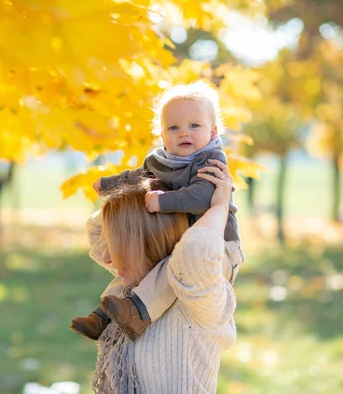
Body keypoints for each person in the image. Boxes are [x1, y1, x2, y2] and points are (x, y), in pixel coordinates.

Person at [70, 82, 244, 341]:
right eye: (173, 127)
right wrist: (108, 184)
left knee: (170, 269)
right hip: (175, 241)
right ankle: (103, 315)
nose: (184, 133)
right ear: (162, 136)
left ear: (213, 131)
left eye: (194, 126)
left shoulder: (211, 161)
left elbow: (203, 196)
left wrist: (164, 202)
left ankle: (138, 311)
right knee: (139, 268)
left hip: (215, 249)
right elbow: (137, 176)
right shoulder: (161, 161)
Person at [90, 160, 239, 393]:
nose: (107, 258)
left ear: (147, 243)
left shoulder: (194, 300)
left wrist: (219, 207)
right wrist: (160, 174)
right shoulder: (137, 288)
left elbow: (196, 249)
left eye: (117, 246)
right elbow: (94, 228)